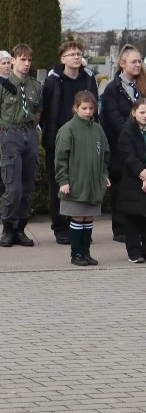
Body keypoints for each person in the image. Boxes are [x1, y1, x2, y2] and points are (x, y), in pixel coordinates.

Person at [41, 42, 99, 245]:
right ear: (62, 58)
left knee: (82, 184)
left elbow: (95, 110)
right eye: (71, 54)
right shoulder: (53, 80)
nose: (76, 57)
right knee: (59, 186)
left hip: (84, 142)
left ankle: (80, 227)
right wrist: (50, 136)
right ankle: (60, 228)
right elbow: (45, 111)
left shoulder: (89, 79)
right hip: (58, 142)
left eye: (78, 53)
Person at [0, 43, 42, 248]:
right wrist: (2, 137)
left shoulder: (35, 86)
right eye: (22, 59)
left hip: (29, 133)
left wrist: (29, 131)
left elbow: (38, 112)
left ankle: (21, 229)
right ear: (13, 60)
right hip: (9, 134)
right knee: (13, 187)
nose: (26, 63)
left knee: (28, 185)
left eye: (29, 60)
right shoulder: (1, 86)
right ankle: (8, 229)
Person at [54, 91, 110, 266]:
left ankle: (86, 252)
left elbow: (105, 155)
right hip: (76, 183)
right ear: (75, 108)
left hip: (93, 183)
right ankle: (76, 253)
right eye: (84, 108)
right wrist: (63, 180)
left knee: (89, 218)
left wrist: (104, 175)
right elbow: (61, 157)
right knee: (78, 217)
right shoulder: (68, 129)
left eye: (91, 108)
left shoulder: (98, 129)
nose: (88, 112)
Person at [99, 44, 142, 244]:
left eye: (139, 61)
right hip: (119, 144)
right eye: (134, 61)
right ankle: (120, 228)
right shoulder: (112, 89)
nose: (138, 64)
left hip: (141, 143)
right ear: (122, 64)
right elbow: (114, 119)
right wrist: (137, 127)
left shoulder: (142, 85)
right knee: (120, 186)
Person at [115, 97, 146, 263]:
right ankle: (134, 252)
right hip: (132, 179)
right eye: (142, 112)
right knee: (133, 218)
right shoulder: (127, 131)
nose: (145, 115)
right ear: (134, 113)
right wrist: (143, 173)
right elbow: (128, 155)